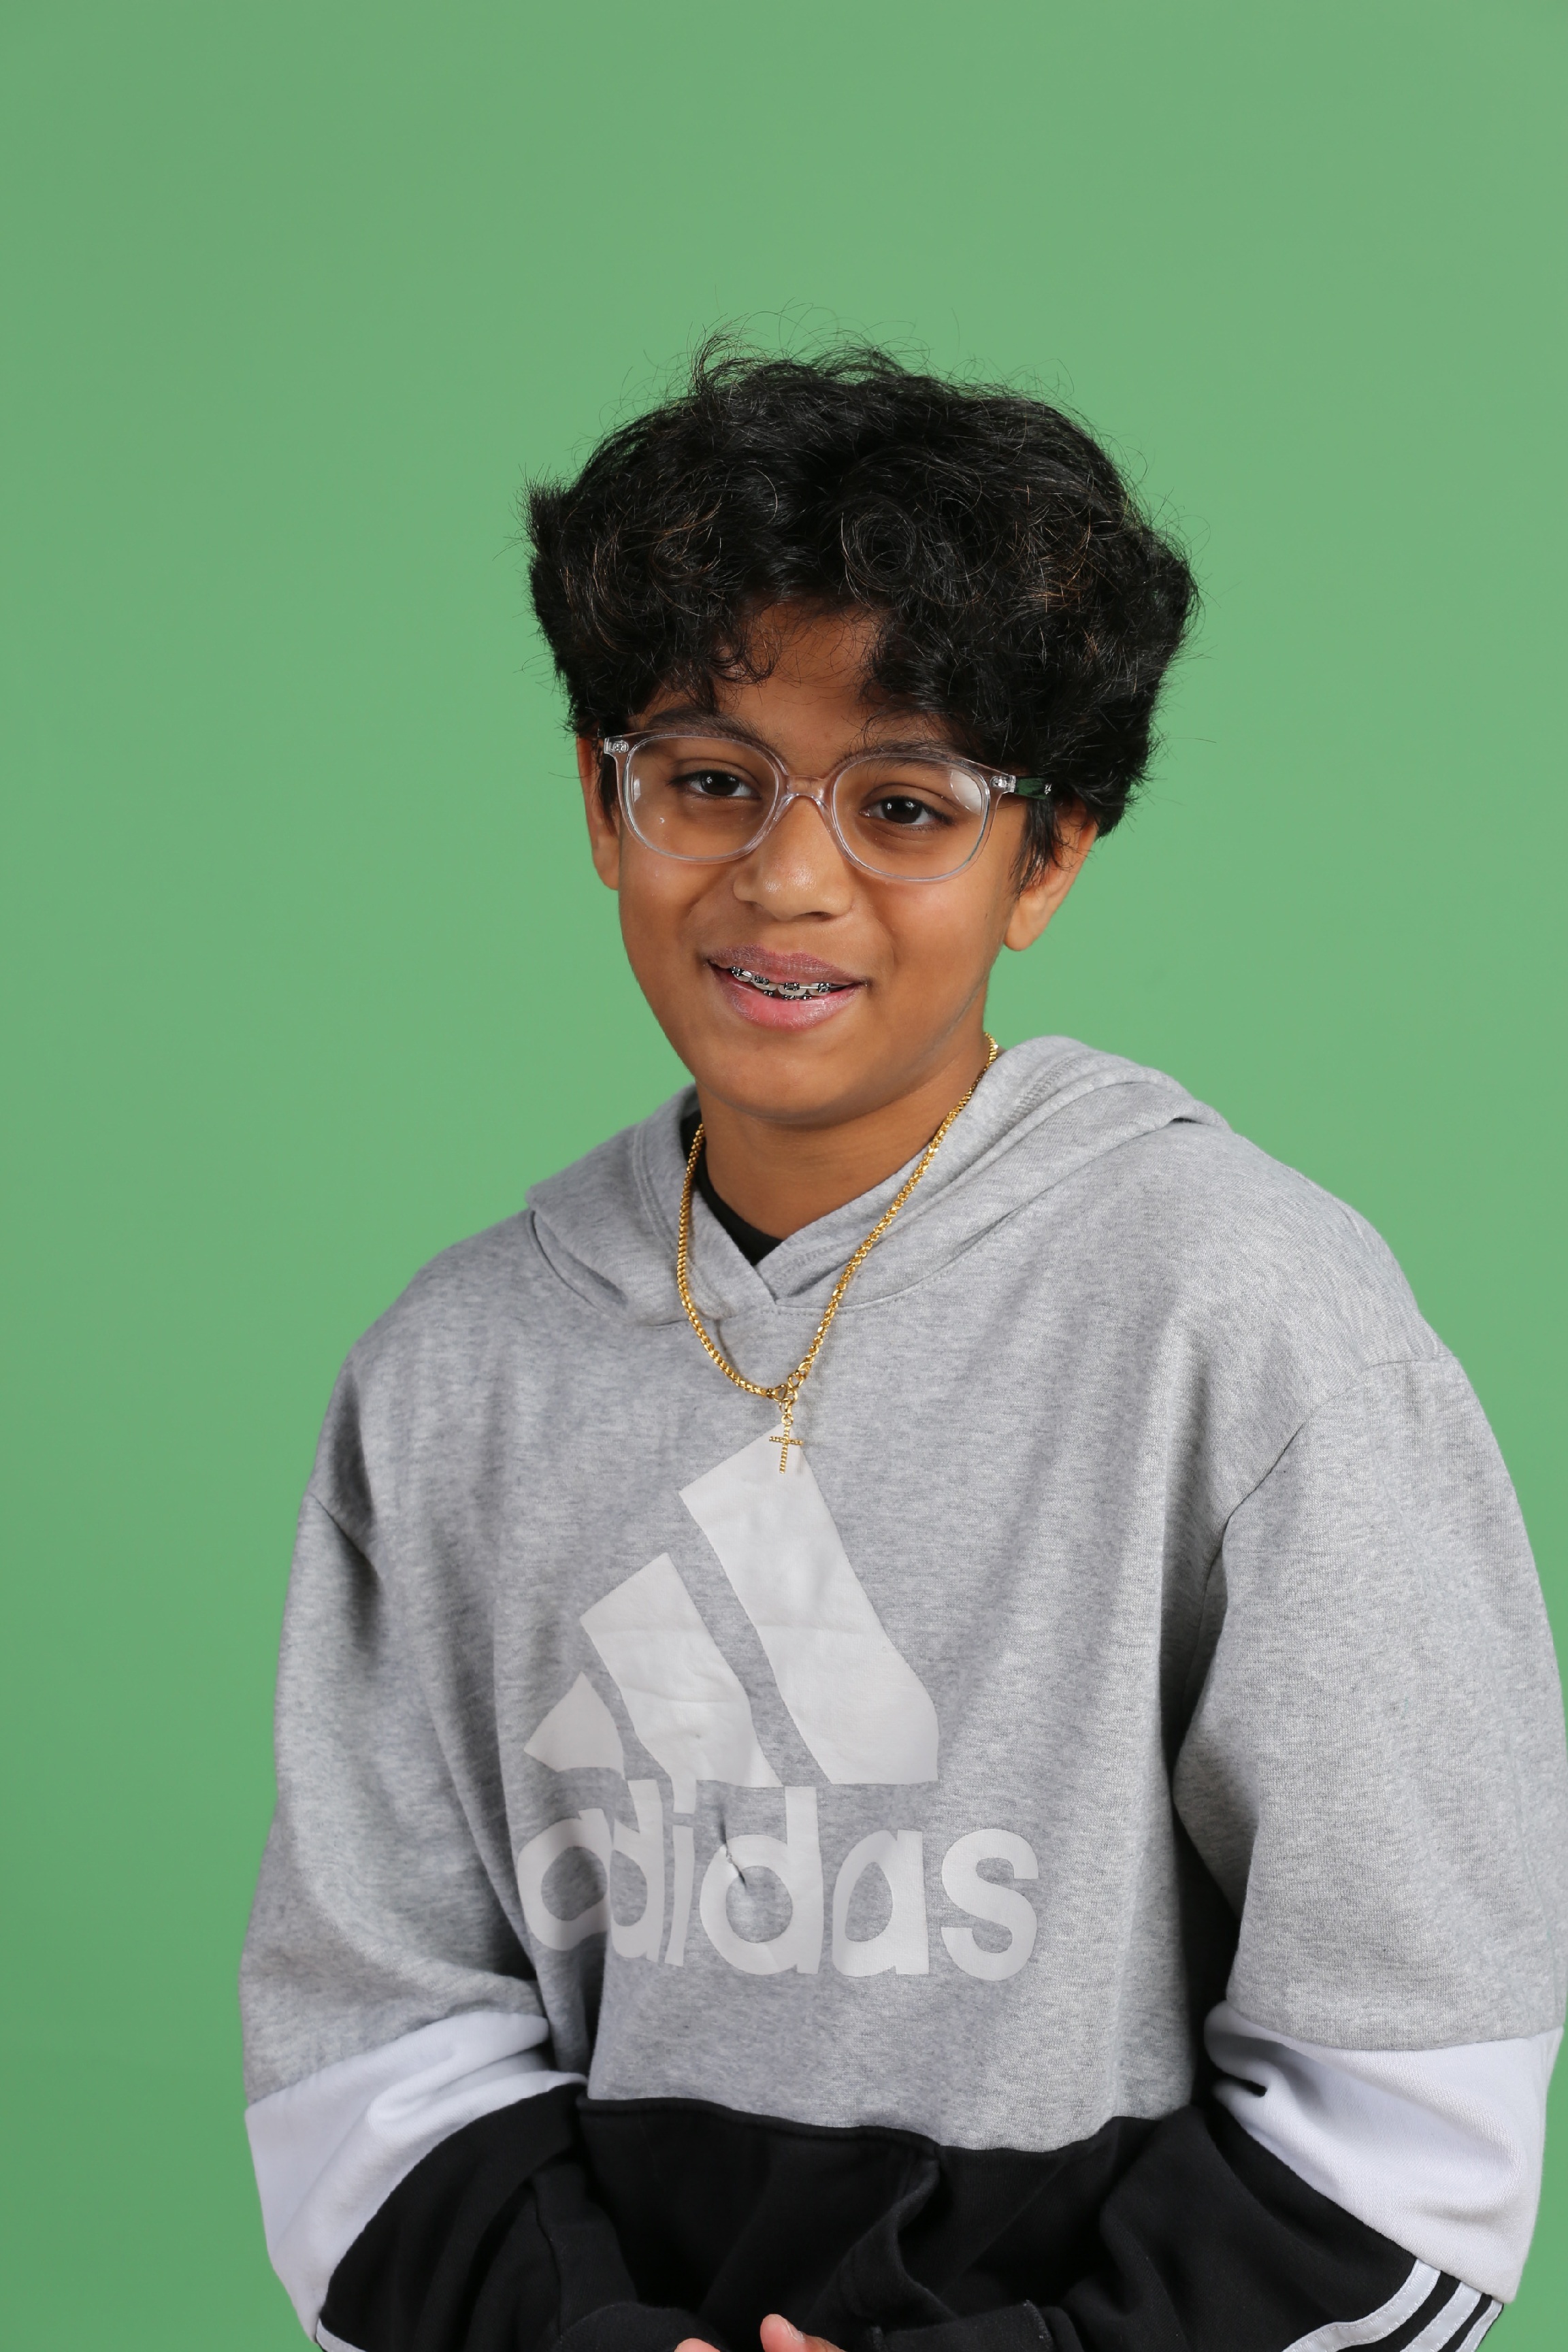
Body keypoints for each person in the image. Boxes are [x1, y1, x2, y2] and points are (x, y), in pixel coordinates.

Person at [240, 345, 1567, 2352]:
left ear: (1052, 856)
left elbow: (1416, 2102)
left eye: (904, 805)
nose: (788, 878)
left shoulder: (1243, 1318)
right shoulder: (453, 1376)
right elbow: (370, 2041)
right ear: (603, 802)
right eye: (709, 779)